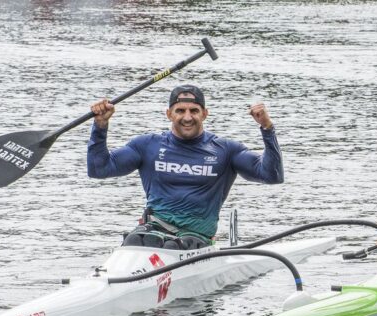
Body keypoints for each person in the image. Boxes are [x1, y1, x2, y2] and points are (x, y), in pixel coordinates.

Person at [87, 84, 283, 250]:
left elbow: (271, 175)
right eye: (180, 111)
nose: (187, 117)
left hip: (196, 240)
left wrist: (267, 128)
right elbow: (99, 169)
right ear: (169, 114)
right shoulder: (147, 145)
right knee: (134, 241)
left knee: (174, 246)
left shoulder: (226, 150)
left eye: (194, 111)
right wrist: (100, 126)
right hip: (153, 231)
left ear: (205, 114)